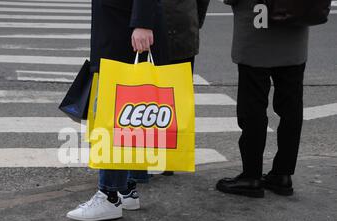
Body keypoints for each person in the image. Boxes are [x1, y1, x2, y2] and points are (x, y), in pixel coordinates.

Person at [66, 0, 169, 221]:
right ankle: (126, 188)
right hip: (121, 24)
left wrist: (142, 22)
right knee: (128, 115)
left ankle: (109, 194)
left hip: (124, 28)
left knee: (113, 115)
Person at [217, 0, 309, 198]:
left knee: (253, 106)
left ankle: (251, 176)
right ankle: (283, 173)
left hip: (257, 27)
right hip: (294, 27)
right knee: (291, 106)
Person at [130, 0, 211, 182]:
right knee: (175, 98)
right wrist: (195, 20)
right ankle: (168, 159)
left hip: (155, 27)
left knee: (145, 98)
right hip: (183, 24)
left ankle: (143, 161)